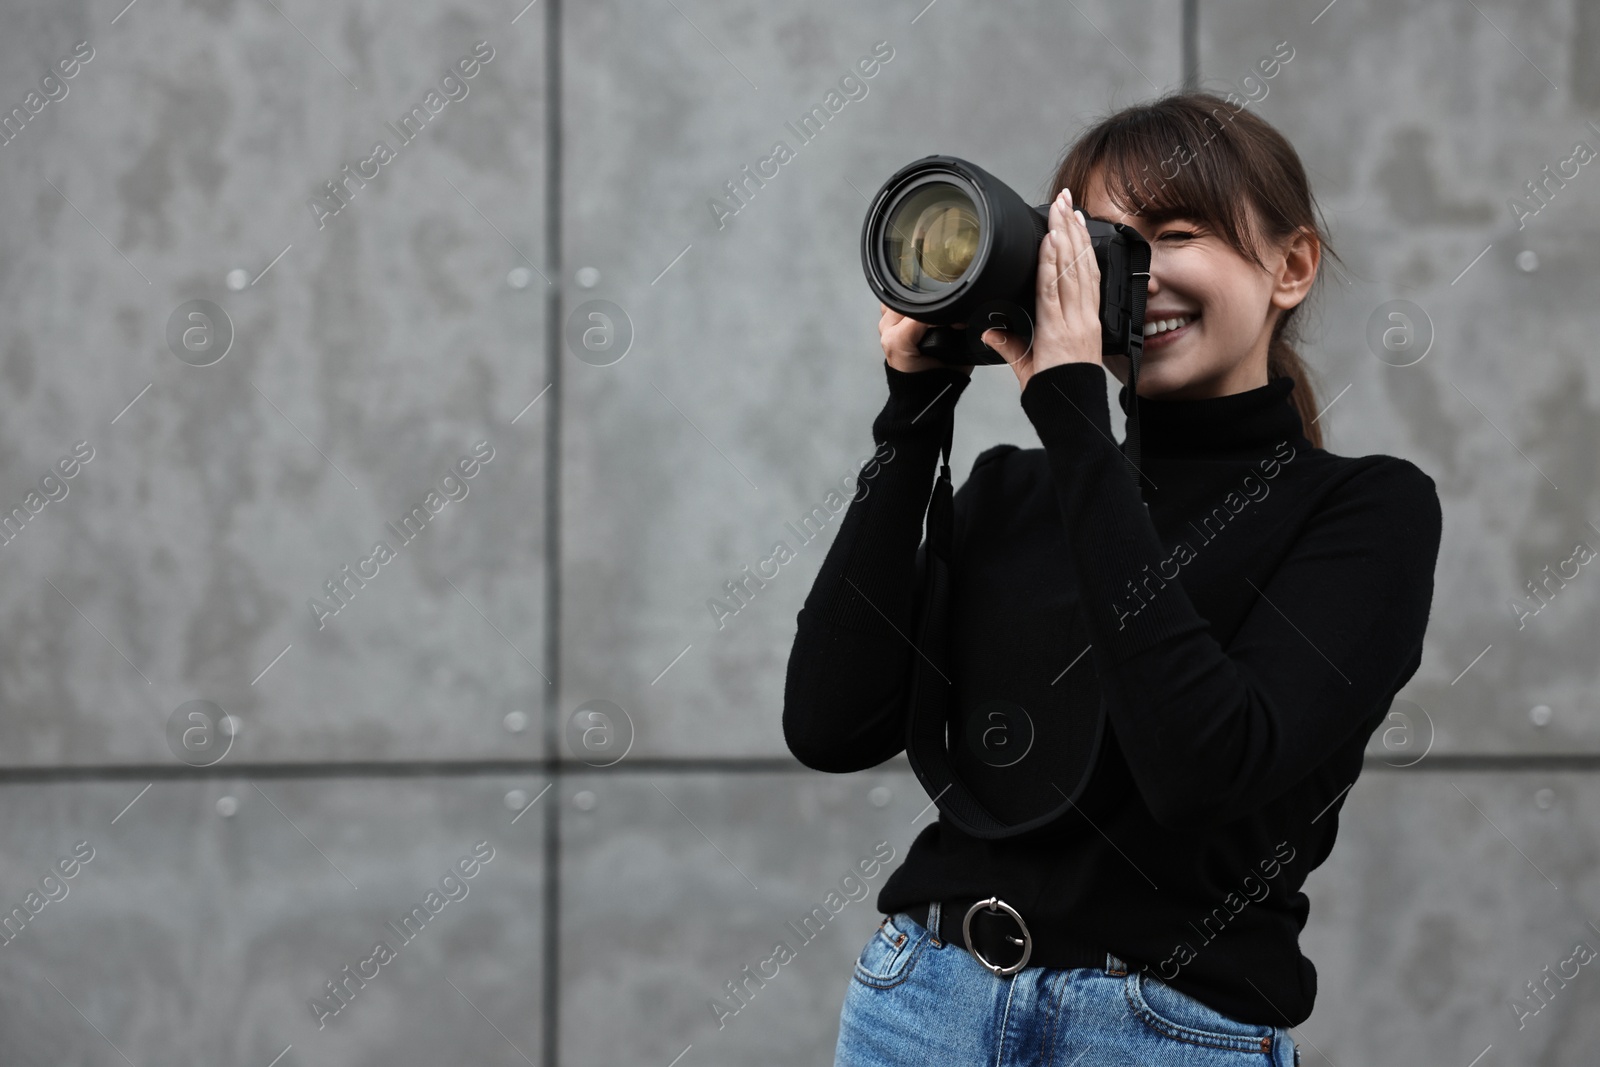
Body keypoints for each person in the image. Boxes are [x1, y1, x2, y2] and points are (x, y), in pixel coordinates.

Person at [782, 91, 1442, 1067]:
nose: (1134, 274)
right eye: (1101, 239)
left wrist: (1073, 417)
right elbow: (831, 725)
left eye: (1176, 232)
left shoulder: (1363, 513)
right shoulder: (1013, 489)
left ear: (1290, 266)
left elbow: (1201, 770)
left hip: (1160, 1031)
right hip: (920, 1000)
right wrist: (913, 414)